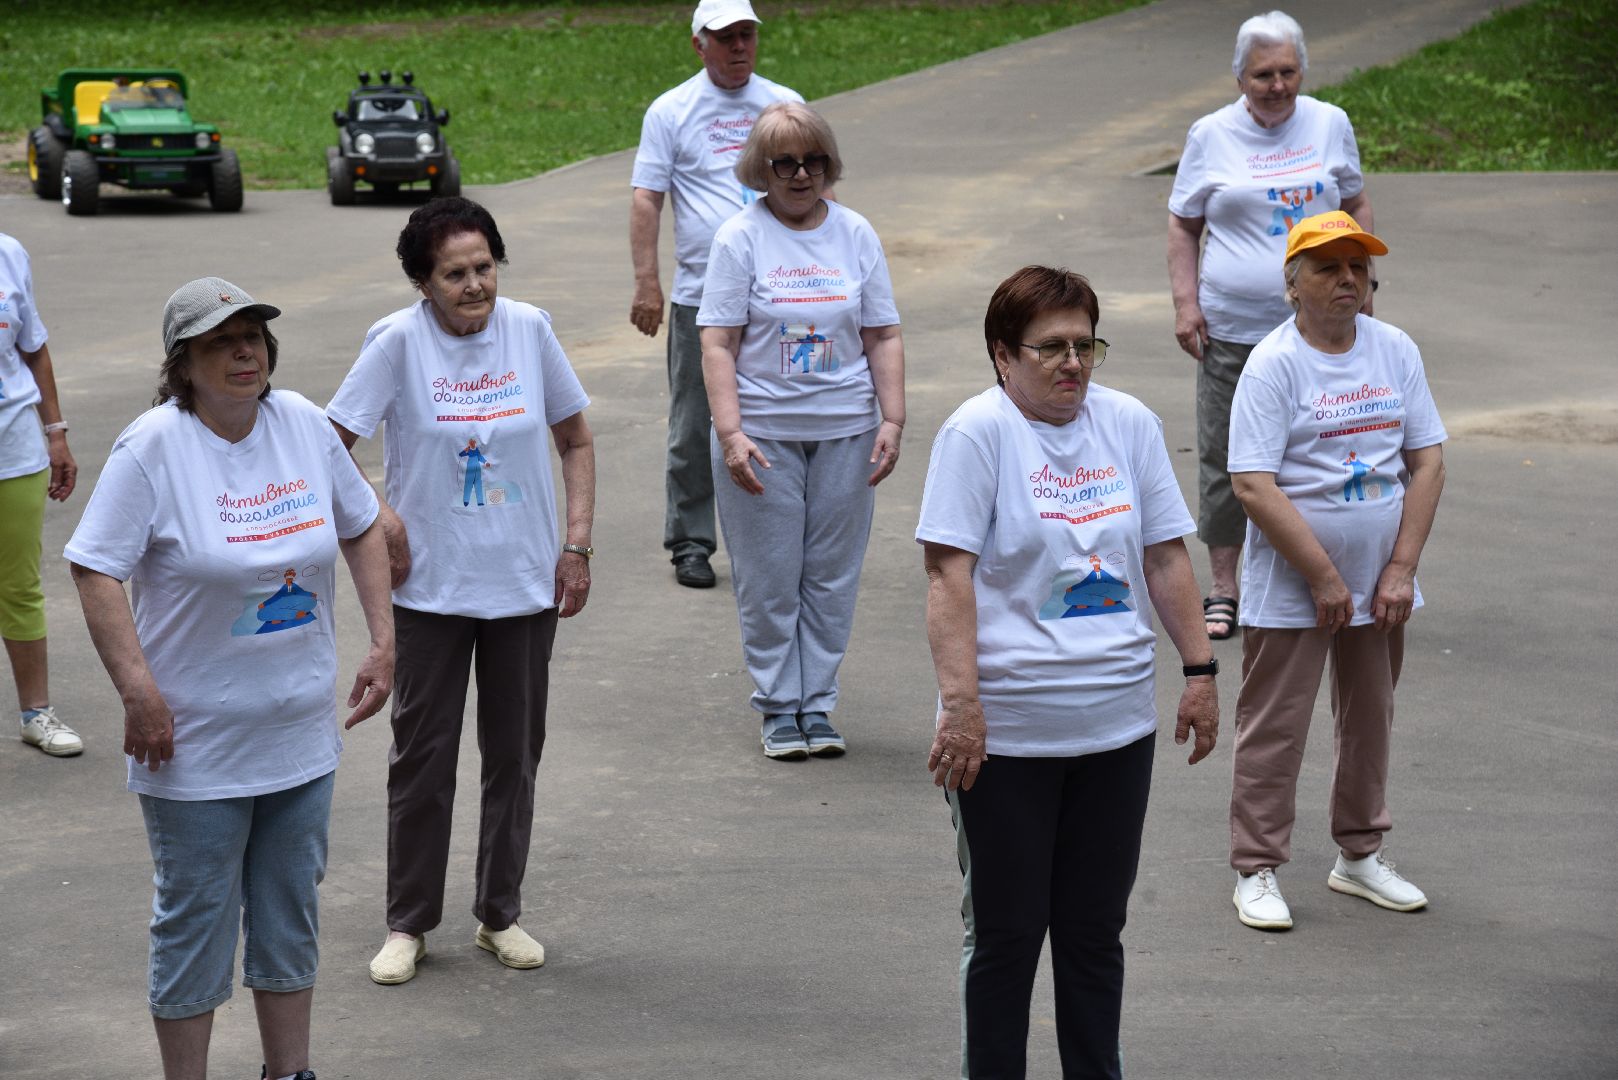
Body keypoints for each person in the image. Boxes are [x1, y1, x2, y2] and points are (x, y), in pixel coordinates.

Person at [65, 278, 395, 1080]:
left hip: (298, 736)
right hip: (194, 745)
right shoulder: (153, 447)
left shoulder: (305, 427)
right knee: (195, 923)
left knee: (289, 917)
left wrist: (385, 642)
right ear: (184, 365)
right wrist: (138, 692)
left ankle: (291, 1072)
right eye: (221, 341)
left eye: (252, 336)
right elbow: (95, 570)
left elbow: (362, 526)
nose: (244, 352)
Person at [917, 266, 1219, 1079]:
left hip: (1117, 731)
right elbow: (948, 578)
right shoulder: (975, 435)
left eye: (1086, 345)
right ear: (1002, 356)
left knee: (1093, 934)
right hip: (1008, 739)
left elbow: (1163, 555)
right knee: (1008, 937)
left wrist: (1199, 670)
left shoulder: (1128, 424)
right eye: (1050, 348)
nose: (1073, 364)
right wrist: (962, 707)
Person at [325, 196, 596, 986]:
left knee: (513, 756)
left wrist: (575, 543)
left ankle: (498, 914)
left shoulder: (530, 329)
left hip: (523, 585)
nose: (475, 286)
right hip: (429, 592)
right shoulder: (396, 342)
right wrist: (383, 517)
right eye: (455, 274)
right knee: (423, 759)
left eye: (484, 268)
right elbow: (329, 444)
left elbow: (575, 439)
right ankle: (407, 923)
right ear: (422, 282)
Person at [1226, 211, 1445, 931]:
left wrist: (1400, 570)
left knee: (1370, 719)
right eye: (1328, 267)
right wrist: (1323, 577)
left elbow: (1427, 460)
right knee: (1275, 728)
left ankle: (1359, 854)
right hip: (1297, 585)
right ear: (1292, 286)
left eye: (1358, 266)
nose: (1347, 278)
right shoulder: (1274, 364)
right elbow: (1253, 483)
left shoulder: (1394, 349)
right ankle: (1256, 868)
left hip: (1381, 581)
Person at [699, 101, 903, 760]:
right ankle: (778, 704)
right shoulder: (740, 237)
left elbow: (883, 333)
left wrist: (893, 418)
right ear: (762, 169)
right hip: (761, 437)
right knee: (769, 576)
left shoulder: (856, 233)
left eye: (812, 161)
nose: (798, 175)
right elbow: (718, 342)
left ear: (828, 165)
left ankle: (818, 702)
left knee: (831, 577)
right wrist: (730, 433)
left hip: (847, 431)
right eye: (783, 163)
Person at [1166, 9, 1373, 641]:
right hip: (1233, 326)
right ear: (1239, 78)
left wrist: (1364, 286)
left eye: (1287, 72)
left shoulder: (1329, 123)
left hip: (1322, 325)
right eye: (1262, 75)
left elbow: (1355, 201)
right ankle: (1226, 587)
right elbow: (1184, 222)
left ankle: (1327, 570)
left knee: (1324, 446)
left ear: (1301, 71)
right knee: (1228, 455)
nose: (1277, 85)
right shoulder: (1211, 135)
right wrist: (1185, 301)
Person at [630, 0, 809, 589]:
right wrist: (648, 283)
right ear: (698, 44)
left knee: (780, 413)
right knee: (694, 422)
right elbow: (647, 198)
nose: (739, 47)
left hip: (778, 291)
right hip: (700, 297)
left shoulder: (783, 105)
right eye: (725, 37)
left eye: (747, 35)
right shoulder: (672, 111)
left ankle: (776, 533)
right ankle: (690, 542)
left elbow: (815, 195)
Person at [0, 232, 81, 756]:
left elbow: (34, 348)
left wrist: (56, 431)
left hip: (13, 451)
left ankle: (37, 714)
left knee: (19, 586)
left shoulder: (8, 253)